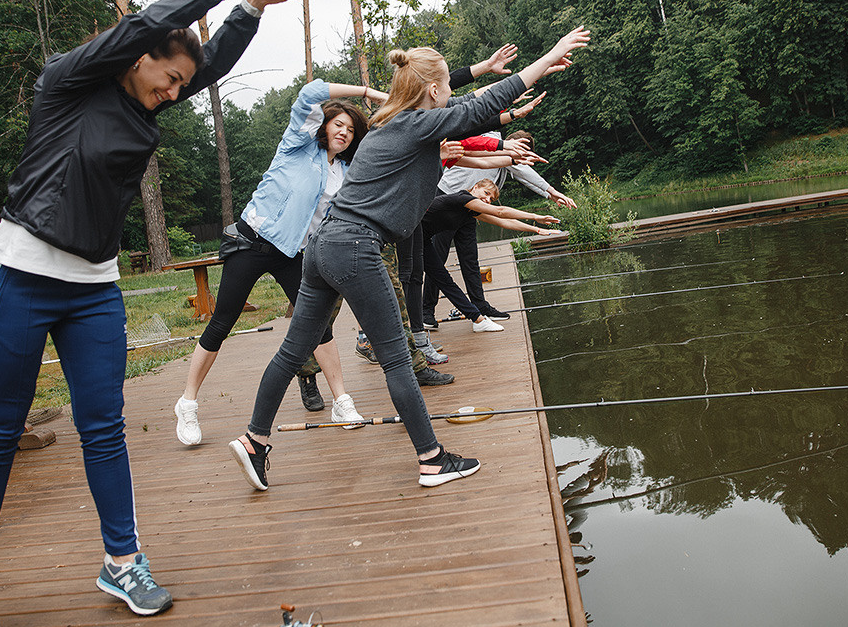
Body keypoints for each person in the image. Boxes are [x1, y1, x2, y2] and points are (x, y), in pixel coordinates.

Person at [0, 0, 311, 627]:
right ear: (136, 58)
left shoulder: (141, 102)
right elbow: (147, 25)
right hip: (19, 275)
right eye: (167, 79)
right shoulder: (68, 84)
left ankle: (122, 562)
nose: (175, 93)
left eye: (180, 85)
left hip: (92, 288)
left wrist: (253, 12)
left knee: (105, 427)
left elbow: (200, 67)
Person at [228, 25, 590, 492]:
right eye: (443, 87)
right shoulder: (417, 125)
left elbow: (470, 106)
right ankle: (433, 459)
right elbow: (479, 105)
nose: (449, 96)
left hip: (322, 247)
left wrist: (506, 74)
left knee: (293, 350)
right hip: (356, 246)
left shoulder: (392, 121)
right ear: (432, 90)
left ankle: (255, 441)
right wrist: (549, 54)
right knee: (397, 357)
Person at [174, 81, 380, 446]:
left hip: (293, 254)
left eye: (351, 130)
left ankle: (341, 401)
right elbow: (311, 92)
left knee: (319, 325)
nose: (344, 133)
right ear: (324, 125)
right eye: (338, 125)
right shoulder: (297, 146)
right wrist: (365, 91)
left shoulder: (346, 172)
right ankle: (187, 403)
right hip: (251, 243)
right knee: (222, 322)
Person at [424, 127, 576, 327]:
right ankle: (426, 312)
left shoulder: (507, 162)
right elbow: (503, 207)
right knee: (438, 257)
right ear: (513, 143)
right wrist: (552, 192)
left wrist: (548, 198)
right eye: (523, 152)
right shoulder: (494, 142)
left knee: (470, 259)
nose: (523, 158)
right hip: (447, 199)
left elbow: (523, 175)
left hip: (472, 207)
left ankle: (480, 306)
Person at [420, 178, 562, 329]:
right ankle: (424, 321)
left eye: (491, 199)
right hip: (412, 236)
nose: (487, 200)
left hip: (422, 239)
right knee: (419, 279)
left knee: (444, 280)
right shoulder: (463, 198)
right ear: (475, 187)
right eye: (486, 193)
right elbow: (500, 212)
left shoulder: (469, 210)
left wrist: (537, 230)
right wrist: (536, 217)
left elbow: (503, 222)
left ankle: (477, 319)